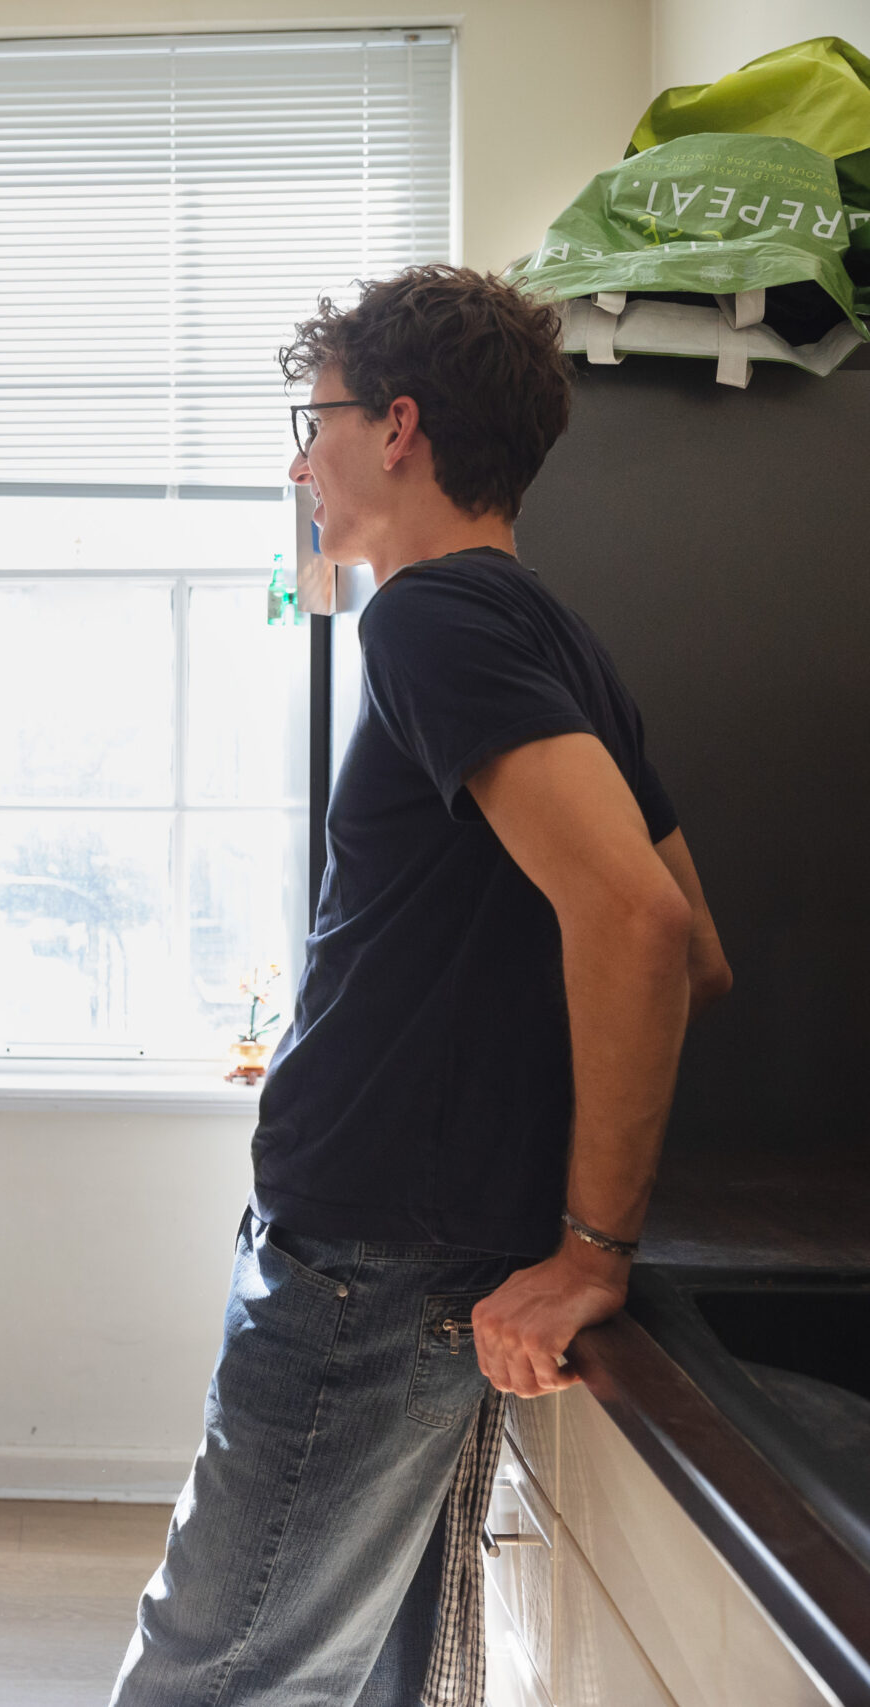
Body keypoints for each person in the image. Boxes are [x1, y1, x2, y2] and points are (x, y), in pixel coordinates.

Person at [111, 266, 734, 1707]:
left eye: (312, 419)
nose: (297, 458)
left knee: (215, 1674)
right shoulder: (552, 635)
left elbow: (642, 933)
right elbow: (696, 948)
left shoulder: (428, 622)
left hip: (368, 1262)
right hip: (411, 1251)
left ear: (398, 427)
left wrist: (592, 1247)